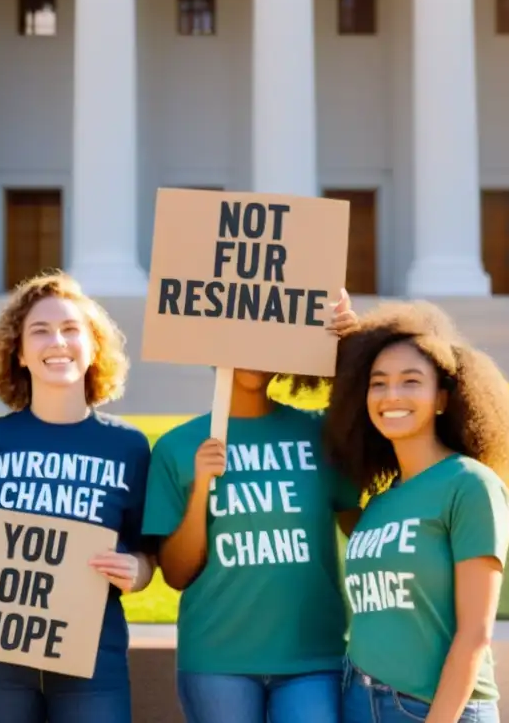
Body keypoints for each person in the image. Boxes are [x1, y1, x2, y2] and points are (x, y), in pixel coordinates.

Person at [0, 271, 155, 723]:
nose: (57, 341)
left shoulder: (130, 448)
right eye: (40, 331)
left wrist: (136, 570)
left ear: (94, 347)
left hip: (92, 658)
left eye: (71, 329)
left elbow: (150, 553)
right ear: (18, 352)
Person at [141, 290, 363, 723]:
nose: (254, 351)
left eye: (269, 337)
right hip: (217, 659)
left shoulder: (319, 435)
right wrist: (201, 487)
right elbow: (176, 574)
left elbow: (363, 529)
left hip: (312, 657)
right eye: (241, 337)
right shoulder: (177, 447)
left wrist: (350, 354)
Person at [322, 301, 509, 723]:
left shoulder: (470, 485)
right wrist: (344, 343)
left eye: (410, 381)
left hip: (433, 710)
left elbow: (475, 635)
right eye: (377, 383)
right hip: (359, 701)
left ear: (441, 397)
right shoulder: (379, 503)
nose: (391, 396)